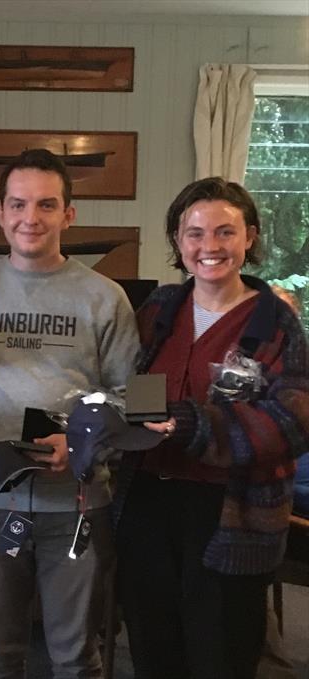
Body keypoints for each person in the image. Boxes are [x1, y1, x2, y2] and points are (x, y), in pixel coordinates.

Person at [0, 149, 140, 678]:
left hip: (76, 504)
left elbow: (129, 398)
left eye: (45, 204)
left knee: (77, 658)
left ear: (68, 215)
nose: (29, 218)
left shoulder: (105, 297)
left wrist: (82, 443)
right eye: (17, 204)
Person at [114, 177, 309, 679]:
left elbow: (291, 422)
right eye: (195, 233)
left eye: (225, 232)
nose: (209, 247)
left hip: (229, 512)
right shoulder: (159, 310)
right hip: (147, 503)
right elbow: (130, 385)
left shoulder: (276, 321)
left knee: (219, 653)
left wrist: (192, 424)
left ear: (249, 237)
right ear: (178, 243)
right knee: (153, 646)